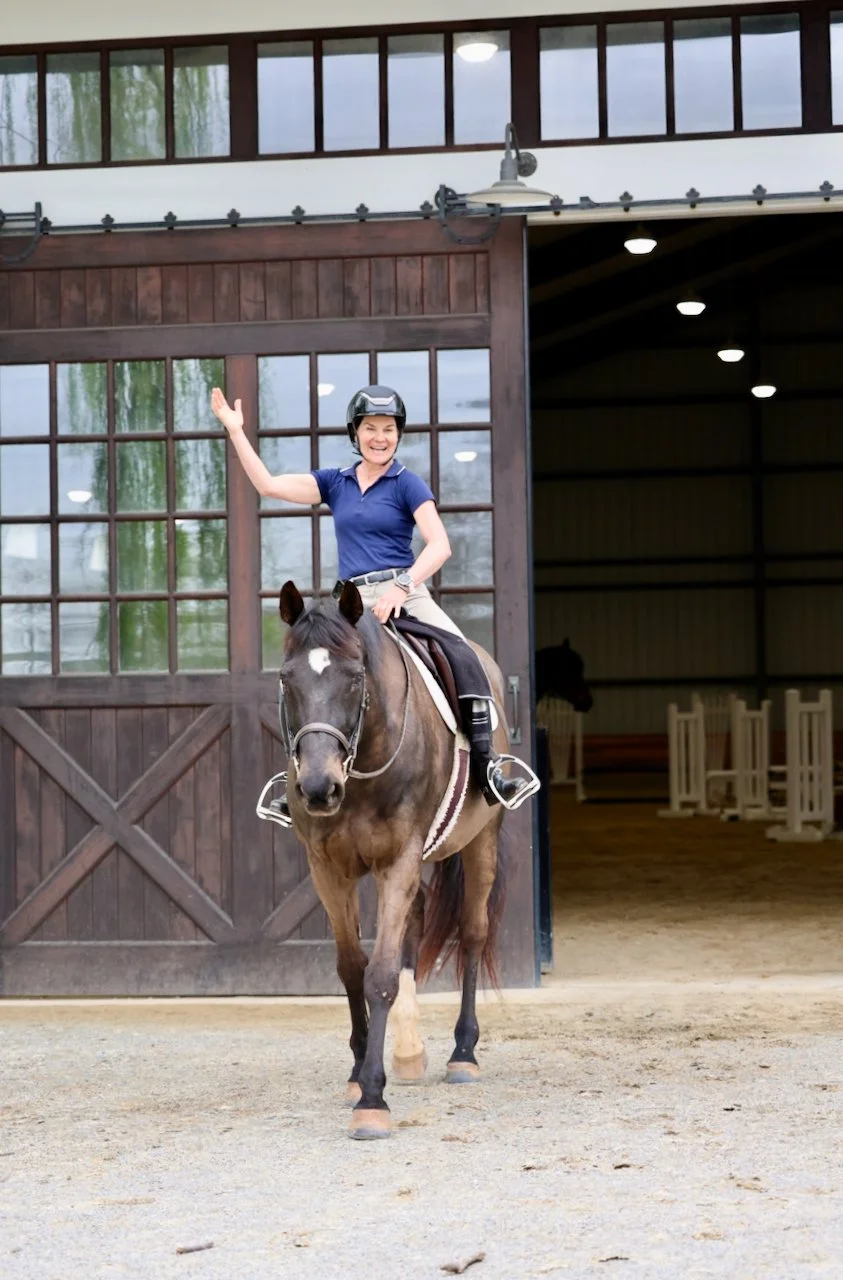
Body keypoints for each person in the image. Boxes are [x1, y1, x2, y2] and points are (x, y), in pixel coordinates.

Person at [210, 383, 535, 813]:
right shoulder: (335, 483)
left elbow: (439, 546)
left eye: (388, 428)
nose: (380, 437)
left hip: (405, 590)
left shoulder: (407, 484)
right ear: (355, 433)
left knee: (465, 658)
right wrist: (235, 432)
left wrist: (402, 587)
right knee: (309, 673)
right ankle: (293, 781)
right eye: (370, 428)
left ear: (398, 434)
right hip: (350, 604)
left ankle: (488, 769)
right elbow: (268, 485)